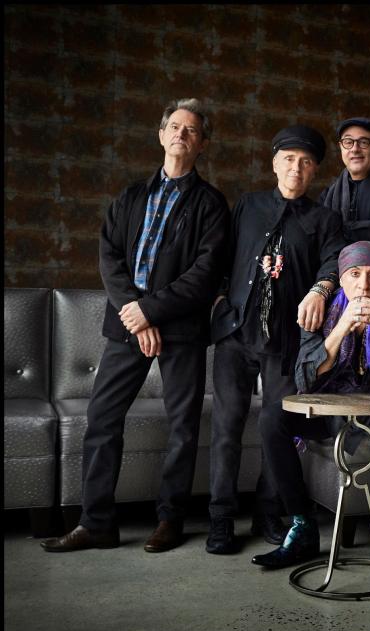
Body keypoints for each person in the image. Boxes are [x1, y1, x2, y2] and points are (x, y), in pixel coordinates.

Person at [41, 98, 229, 553]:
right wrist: (134, 311)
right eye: (175, 127)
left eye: (191, 131)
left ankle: (170, 520)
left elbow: (204, 276)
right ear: (161, 135)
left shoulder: (212, 205)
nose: (181, 135)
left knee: (182, 426)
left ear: (202, 144)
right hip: (126, 325)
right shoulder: (130, 197)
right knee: (102, 419)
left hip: (181, 329)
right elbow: (109, 258)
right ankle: (97, 522)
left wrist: (152, 311)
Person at [205, 125, 345, 555]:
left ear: (315, 171)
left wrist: (320, 290)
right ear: (274, 163)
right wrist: (219, 299)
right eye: (288, 159)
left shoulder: (324, 219)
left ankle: (270, 512)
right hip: (236, 334)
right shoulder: (247, 206)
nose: (296, 168)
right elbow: (219, 257)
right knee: (227, 427)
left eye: (305, 162)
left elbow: (334, 265)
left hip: (286, 342)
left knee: (276, 429)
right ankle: (221, 519)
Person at [250, 241, 370, 569]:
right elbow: (306, 378)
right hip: (328, 405)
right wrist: (343, 325)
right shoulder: (321, 306)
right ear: (341, 279)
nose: (364, 285)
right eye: (355, 275)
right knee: (272, 418)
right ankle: (302, 526)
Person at [320, 117, 370, 244]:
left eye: (363, 142)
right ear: (341, 147)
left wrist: (338, 229)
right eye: (348, 142)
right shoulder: (328, 195)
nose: (355, 149)